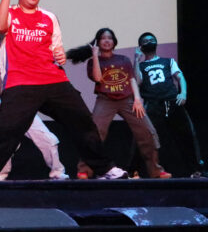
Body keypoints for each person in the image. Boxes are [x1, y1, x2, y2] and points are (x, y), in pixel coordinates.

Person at [0, 0, 128, 180]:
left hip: (53, 80)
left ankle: (104, 169)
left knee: (83, 122)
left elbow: (56, 49)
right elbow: (0, 26)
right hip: (21, 82)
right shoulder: (10, 13)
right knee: (8, 130)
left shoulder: (49, 17)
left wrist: (60, 55)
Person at [67, 28, 170, 179]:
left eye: (109, 38)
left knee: (148, 132)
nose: (107, 40)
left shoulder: (123, 59)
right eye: (103, 38)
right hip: (105, 100)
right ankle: (85, 169)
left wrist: (137, 99)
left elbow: (132, 80)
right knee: (94, 133)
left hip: (128, 100)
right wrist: (95, 55)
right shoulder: (93, 61)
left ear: (114, 42)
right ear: (98, 42)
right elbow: (97, 78)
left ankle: (156, 170)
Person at [0, 41, 68, 180]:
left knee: (49, 139)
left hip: (25, 112)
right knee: (6, 146)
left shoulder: (15, 71)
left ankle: (57, 172)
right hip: (8, 118)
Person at [134, 32, 204, 177]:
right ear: (140, 46)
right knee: (146, 136)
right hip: (152, 104)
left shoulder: (168, 61)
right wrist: (136, 59)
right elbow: (138, 81)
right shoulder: (140, 65)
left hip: (172, 102)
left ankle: (195, 169)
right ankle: (136, 170)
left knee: (186, 135)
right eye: (145, 41)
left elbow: (180, 77)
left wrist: (183, 93)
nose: (149, 41)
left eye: (151, 39)